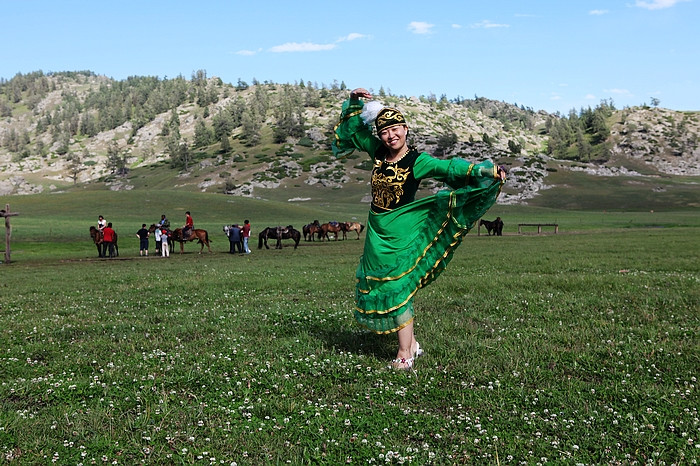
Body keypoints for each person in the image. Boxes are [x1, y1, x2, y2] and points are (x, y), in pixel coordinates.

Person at [332, 87, 506, 371]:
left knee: (400, 289)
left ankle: (404, 353)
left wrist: (484, 171)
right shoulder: (377, 152)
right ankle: (411, 344)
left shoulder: (417, 161)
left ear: (406, 129)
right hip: (377, 231)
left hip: (404, 230)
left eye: (395, 129)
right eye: (384, 131)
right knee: (385, 286)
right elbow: (350, 131)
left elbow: (448, 168)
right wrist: (354, 102)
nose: (391, 136)